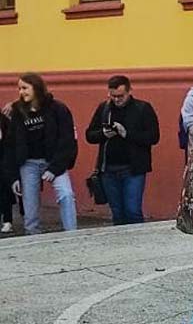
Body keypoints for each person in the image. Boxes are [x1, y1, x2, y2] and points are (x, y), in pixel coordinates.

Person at [3, 73, 78, 235]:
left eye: (25, 88)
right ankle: (33, 237)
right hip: (28, 163)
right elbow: (11, 145)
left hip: (54, 161)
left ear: (36, 88)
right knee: (30, 207)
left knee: (66, 195)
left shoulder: (57, 108)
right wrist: (13, 177)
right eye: (19, 88)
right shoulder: (18, 111)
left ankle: (72, 234)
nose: (21, 92)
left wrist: (54, 168)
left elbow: (67, 141)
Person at [85, 75, 160, 225]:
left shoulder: (142, 108)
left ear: (129, 91)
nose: (117, 100)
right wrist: (103, 134)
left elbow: (153, 137)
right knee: (117, 212)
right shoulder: (104, 108)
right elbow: (89, 135)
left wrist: (127, 134)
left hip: (133, 169)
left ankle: (137, 239)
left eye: (120, 96)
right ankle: (120, 239)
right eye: (113, 96)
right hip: (108, 169)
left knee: (133, 211)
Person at [0, 110, 15, 232]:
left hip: (3, 160)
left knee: (4, 190)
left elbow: (9, 141)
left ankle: (7, 220)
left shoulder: (3, 120)